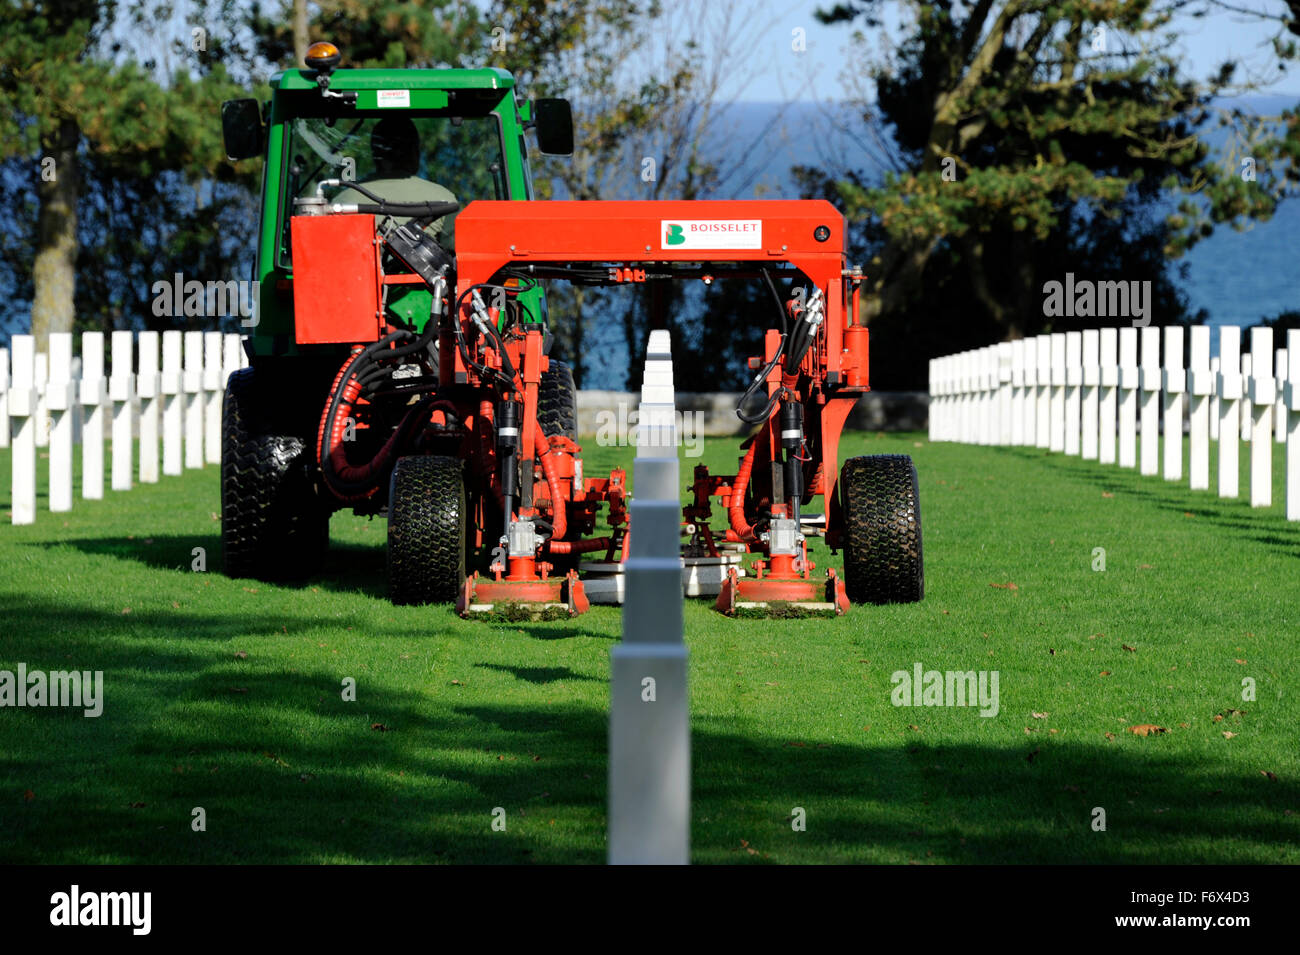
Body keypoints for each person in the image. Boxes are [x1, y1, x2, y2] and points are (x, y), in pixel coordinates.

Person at [331, 116, 458, 249]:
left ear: (375, 155)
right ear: (414, 152)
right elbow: (458, 260)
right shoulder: (445, 200)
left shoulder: (342, 202)